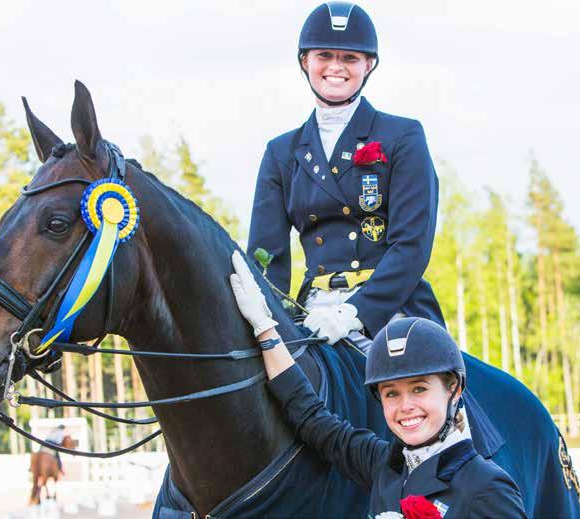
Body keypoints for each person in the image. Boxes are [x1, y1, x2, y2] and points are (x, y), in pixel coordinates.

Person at [229, 252, 526, 518]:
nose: (405, 406)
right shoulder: (383, 465)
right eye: (391, 393)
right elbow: (310, 416)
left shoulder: (487, 487)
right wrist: (264, 327)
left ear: (454, 389)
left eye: (419, 389)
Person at [248, 2, 445, 349]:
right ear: (305, 61)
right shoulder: (280, 153)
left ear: (368, 65)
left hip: (389, 310)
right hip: (310, 312)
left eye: (350, 58)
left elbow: (411, 246)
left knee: (412, 394)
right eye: (324, 55)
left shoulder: (403, 136)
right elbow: (268, 258)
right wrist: (270, 320)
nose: (336, 67)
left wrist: (353, 313)